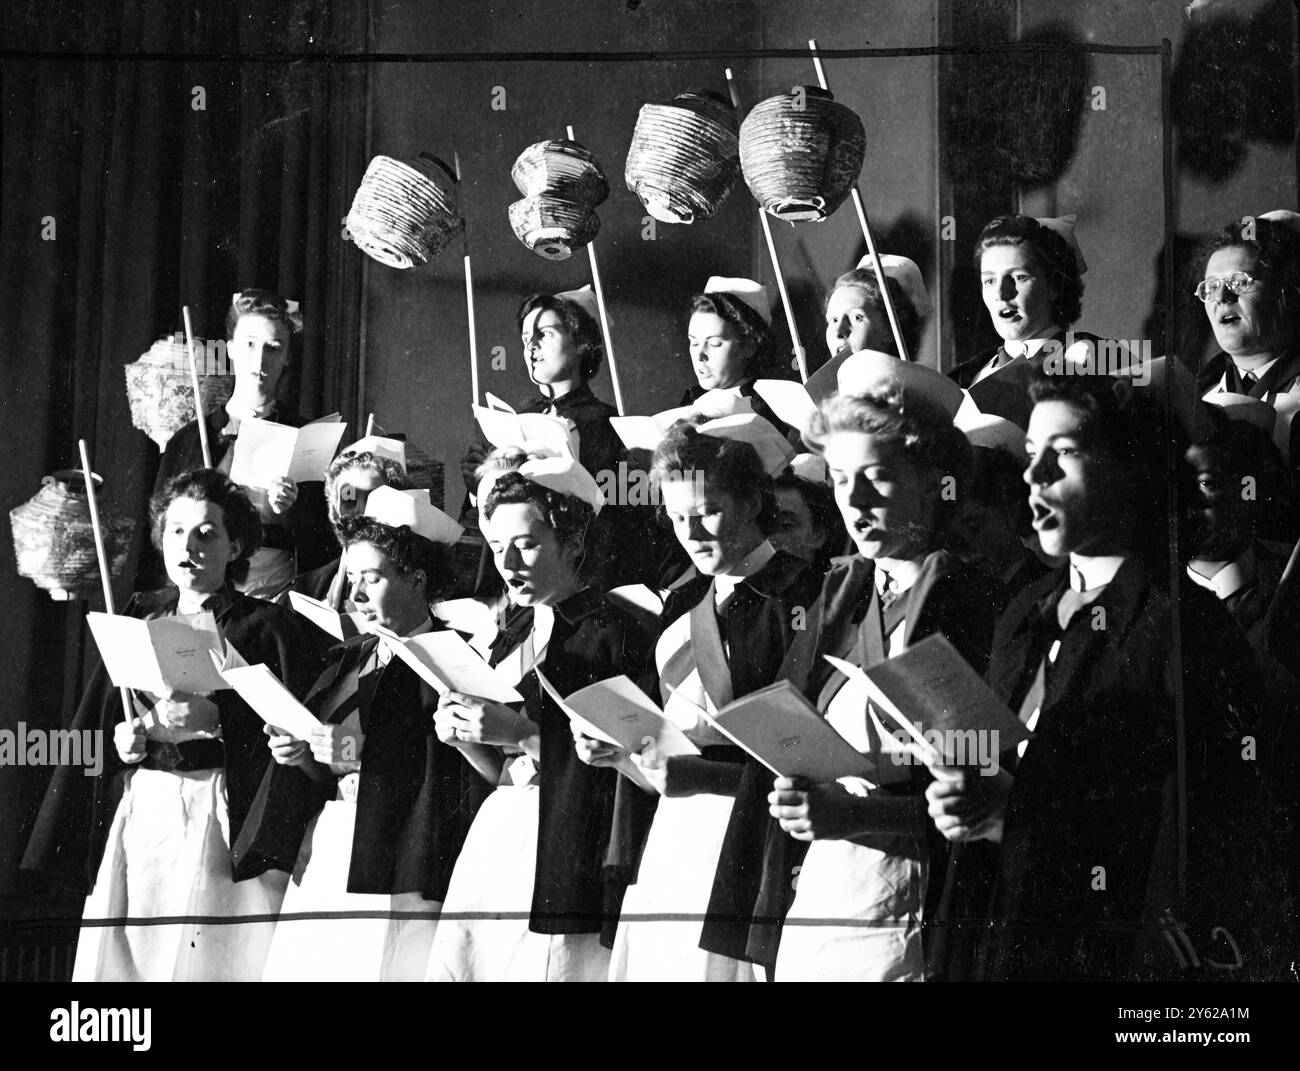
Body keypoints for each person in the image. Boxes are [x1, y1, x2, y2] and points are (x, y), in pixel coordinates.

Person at [927, 370, 1271, 980]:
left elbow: (1204, 839)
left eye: (1062, 454)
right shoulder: (1024, 611)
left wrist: (1021, 811)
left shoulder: (1184, 631)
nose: (1033, 477)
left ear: (1133, 469)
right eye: (1032, 455)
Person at [756, 354, 1006, 982]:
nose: (854, 500)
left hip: (925, 901)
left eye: (879, 477)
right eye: (840, 479)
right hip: (829, 887)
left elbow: (983, 796)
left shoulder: (972, 601)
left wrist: (858, 814)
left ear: (934, 481)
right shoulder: (842, 593)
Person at [22, 469, 322, 981]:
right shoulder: (139, 614)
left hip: (224, 815)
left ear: (236, 547)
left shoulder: (269, 627)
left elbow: (300, 746)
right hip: (145, 814)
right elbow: (100, 729)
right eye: (177, 530)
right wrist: (125, 741)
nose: (190, 545)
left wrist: (221, 722)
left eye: (208, 532)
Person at [598, 415, 819, 982]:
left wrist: (707, 779)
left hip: (753, 839)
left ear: (751, 502)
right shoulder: (682, 602)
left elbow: (808, 753)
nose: (691, 533)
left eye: (708, 512)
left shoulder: (802, 595)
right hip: (674, 834)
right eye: (676, 518)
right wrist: (619, 749)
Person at [426, 451, 657, 981]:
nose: (508, 565)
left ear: (573, 544)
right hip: (499, 835)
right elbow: (499, 768)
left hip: (571, 838)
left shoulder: (613, 631)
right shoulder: (513, 631)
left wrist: (524, 734)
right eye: (499, 548)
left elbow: (626, 767)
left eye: (528, 546)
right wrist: (466, 736)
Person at [236, 505, 492, 981]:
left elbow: (445, 769)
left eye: (370, 578)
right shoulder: (348, 655)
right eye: (350, 576)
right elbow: (327, 765)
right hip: (331, 841)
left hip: (400, 856)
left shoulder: (452, 659)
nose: (353, 593)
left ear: (416, 579)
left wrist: (355, 752)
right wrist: (301, 754)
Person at [141, 289, 333, 598]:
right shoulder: (189, 440)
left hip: (277, 601)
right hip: (202, 598)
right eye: (249, 345)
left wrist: (291, 511)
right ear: (230, 348)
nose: (260, 359)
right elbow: (159, 532)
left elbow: (325, 541)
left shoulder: (307, 437)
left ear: (287, 357)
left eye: (273, 347)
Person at [948, 215, 1097, 430]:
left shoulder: (1097, 359)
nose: (1001, 293)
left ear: (1055, 286)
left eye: (1018, 277)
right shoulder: (964, 374)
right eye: (989, 280)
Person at [1194, 211, 1300, 495]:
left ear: (1285, 294)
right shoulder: (1197, 397)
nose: (1222, 297)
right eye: (1210, 287)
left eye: (1240, 281)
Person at [289, 445, 412, 606]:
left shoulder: (416, 585)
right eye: (349, 499)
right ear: (334, 512)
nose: (360, 511)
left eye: (373, 499)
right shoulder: (305, 591)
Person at [822, 253, 930, 371]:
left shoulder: (918, 387)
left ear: (890, 329)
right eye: (834, 320)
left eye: (857, 317)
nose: (839, 331)